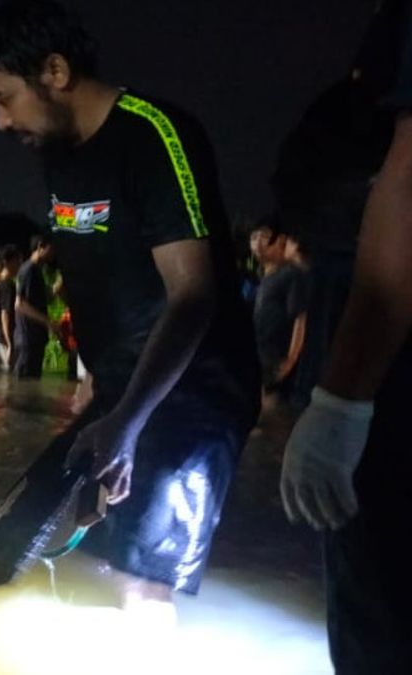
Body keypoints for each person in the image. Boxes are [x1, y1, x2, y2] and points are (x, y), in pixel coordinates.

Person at [0, 0, 259, 612]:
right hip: (120, 389)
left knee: (144, 582)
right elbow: (94, 277)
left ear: (54, 71)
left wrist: (128, 421)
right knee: (88, 562)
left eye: (3, 98)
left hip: (193, 388)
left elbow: (194, 295)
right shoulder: (57, 153)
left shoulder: (155, 135)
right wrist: (96, 387)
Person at [280, 2, 412, 671]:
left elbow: (409, 186)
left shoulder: (358, 126)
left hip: (386, 381)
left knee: (379, 619)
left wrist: (341, 401)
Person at [252, 226, 311, 404]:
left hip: (273, 355)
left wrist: (290, 359)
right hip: (260, 352)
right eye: (255, 237)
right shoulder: (268, 277)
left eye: (265, 237)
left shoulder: (291, 274)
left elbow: (300, 319)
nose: (258, 243)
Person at [13, 234, 55, 378]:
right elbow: (20, 304)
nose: (54, 252)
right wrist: (47, 321)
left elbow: (41, 300)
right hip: (27, 338)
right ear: (40, 247)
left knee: (32, 384)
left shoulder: (37, 270)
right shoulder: (28, 270)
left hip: (35, 338)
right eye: (51, 248)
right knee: (23, 387)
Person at [0, 244, 22, 370]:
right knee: (6, 379)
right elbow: (5, 314)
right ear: (8, 262)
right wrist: (9, 343)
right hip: (4, 337)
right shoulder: (8, 285)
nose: (19, 264)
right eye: (17, 261)